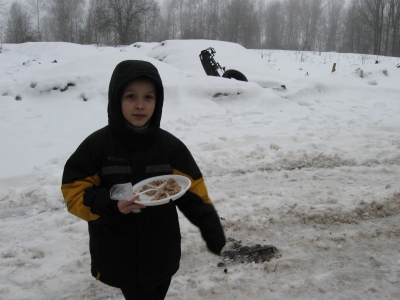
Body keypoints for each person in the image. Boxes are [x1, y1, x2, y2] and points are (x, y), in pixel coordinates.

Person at [61, 60, 226, 300]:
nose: (140, 105)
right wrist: (112, 202)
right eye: (131, 96)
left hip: (161, 250)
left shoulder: (169, 147)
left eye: (148, 97)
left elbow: (192, 191)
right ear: (116, 99)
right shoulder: (97, 147)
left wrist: (210, 225)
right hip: (118, 252)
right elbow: (74, 193)